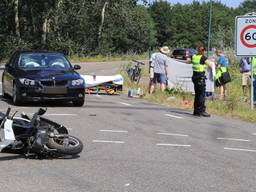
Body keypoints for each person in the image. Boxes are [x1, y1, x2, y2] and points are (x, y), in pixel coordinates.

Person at [187, 46, 212, 117]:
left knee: (197, 94)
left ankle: (196, 111)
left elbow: (188, 61)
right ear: (203, 51)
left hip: (194, 76)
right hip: (200, 77)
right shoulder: (203, 58)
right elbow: (210, 65)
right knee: (202, 94)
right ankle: (202, 111)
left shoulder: (194, 56)